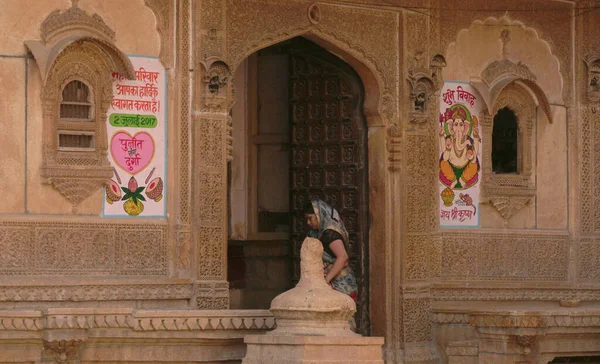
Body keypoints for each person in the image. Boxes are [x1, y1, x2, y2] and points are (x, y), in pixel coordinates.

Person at [304, 198, 359, 331]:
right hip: (332, 282)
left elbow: (343, 257)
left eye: (311, 218)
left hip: (340, 283)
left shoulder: (329, 234)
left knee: (341, 322)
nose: (308, 223)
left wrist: (327, 279)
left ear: (319, 215)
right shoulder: (318, 233)